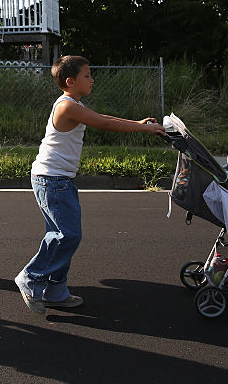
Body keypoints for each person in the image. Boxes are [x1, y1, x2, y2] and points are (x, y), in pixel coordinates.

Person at [15, 55, 166, 314]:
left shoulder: (74, 103)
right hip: (51, 180)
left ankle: (55, 290)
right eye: (87, 75)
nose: (92, 79)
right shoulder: (66, 106)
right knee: (67, 235)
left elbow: (101, 116)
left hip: (58, 180)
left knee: (61, 235)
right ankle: (31, 278)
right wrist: (143, 130)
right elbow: (105, 124)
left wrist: (137, 123)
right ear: (71, 81)